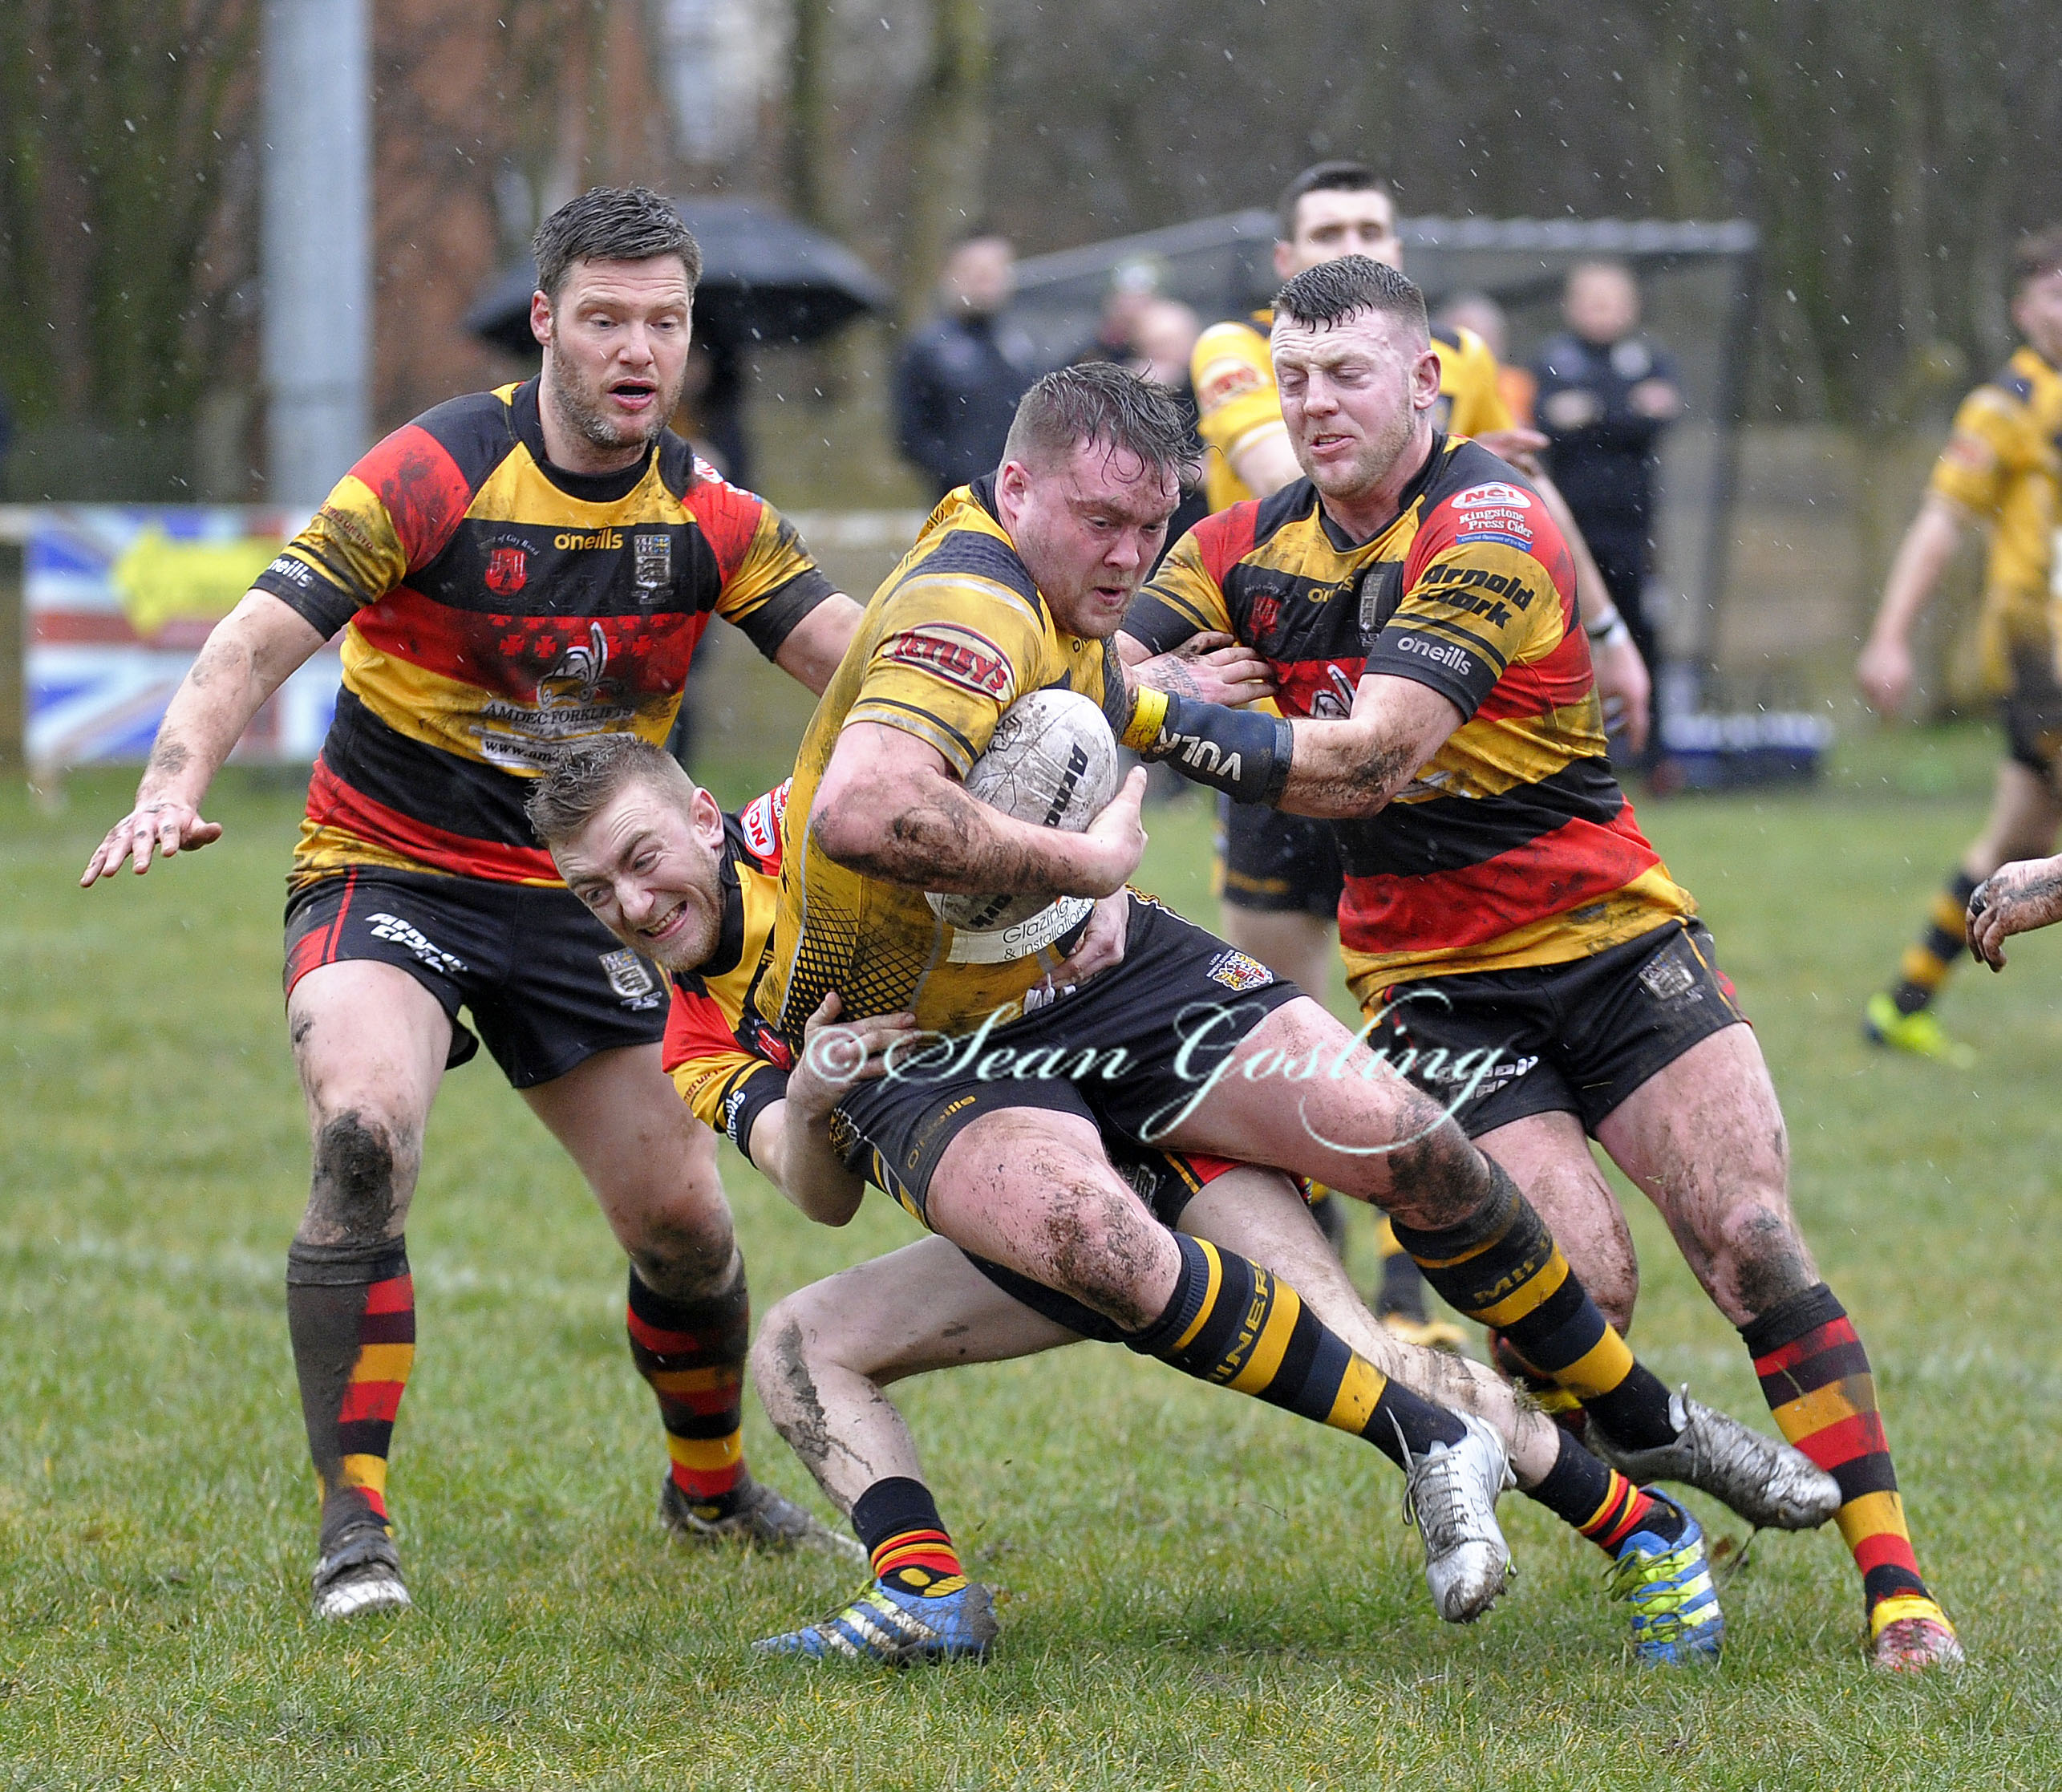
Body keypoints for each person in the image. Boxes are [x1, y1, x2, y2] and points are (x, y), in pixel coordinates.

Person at [744, 361, 1833, 1660]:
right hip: (936, 1041)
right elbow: (864, 809)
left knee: (1406, 1137)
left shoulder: (1046, 579)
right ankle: (1486, 1454)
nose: (1129, 555)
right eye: (1103, 522)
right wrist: (1082, 862)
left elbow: (1048, 732)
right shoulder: (966, 603)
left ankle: (1640, 1426)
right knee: (1103, 1244)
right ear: (1015, 488)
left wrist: (1128, 773)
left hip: (1092, 968)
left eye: (1150, 524)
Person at [528, 736, 1837, 1665]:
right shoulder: (695, 1027)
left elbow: (1027, 732)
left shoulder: (838, 810)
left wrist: (1089, 838)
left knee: (1374, 1307)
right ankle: (923, 1592)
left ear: (701, 813)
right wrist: (814, 1091)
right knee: (798, 1344)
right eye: (594, 893)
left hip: (1149, 1090)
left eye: (640, 858)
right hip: (1028, 1186)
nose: (632, 903)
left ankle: (1643, 1513)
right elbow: (812, 1193)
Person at [1122, 253, 1961, 1671]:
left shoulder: (1491, 520)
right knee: (1579, 1283)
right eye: (1292, 379)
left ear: (1424, 381)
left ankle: (1898, 1589)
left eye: (1346, 375)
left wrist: (1164, 718)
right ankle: (1642, 1510)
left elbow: (1373, 758)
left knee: (1750, 1237)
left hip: (1614, 938)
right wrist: (1143, 680)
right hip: (1432, 984)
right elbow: (1078, 661)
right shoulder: (1228, 549)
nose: (1314, 405)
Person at [79, 185, 869, 1621]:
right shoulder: (435, 470)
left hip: (589, 900)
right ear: (549, 324)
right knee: (362, 1133)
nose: (638, 350)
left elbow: (874, 672)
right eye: (608, 319)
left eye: (666, 322)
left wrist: (1075, 699)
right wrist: (168, 782)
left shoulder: (710, 515)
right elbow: (250, 641)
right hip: (390, 864)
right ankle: (355, 1528)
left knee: (686, 1226)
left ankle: (708, 1492)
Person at [1189, 161, 1650, 1340]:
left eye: (1372, 225)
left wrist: (1606, 633)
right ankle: (1320, 1260)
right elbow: (1283, 477)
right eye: (1326, 227)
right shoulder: (1232, 352)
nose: (1351, 237)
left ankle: (1410, 1287)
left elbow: (1516, 497)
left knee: (1422, 1005)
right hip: (1282, 716)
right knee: (1284, 1021)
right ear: (1284, 259)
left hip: (1427, 723)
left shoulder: (1455, 360)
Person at [1857, 226, 2062, 1064]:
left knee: (2018, 840)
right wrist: (1890, 637)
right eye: (2055, 293)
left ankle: (1903, 1001)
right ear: (2023, 310)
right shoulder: (2004, 406)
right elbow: (1940, 523)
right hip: (2043, 661)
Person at [1530, 259, 1683, 755]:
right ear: (1571, 305)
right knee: (1564, 638)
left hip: (1635, 534)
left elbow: (1659, 414)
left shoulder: (1650, 357)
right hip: (1568, 532)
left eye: (1612, 300)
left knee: (1642, 633)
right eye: (1592, 301)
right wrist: (1623, 410)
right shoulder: (1553, 358)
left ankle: (1651, 750)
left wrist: (1591, 413)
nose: (1602, 311)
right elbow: (1547, 422)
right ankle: (1572, 749)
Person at [893, 232, 1040, 500]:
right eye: (974, 271)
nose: (985, 281)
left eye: (994, 271)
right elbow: (910, 434)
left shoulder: (1025, 345)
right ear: (949, 275)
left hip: (1023, 499)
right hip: (958, 501)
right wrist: (960, 472)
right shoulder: (928, 349)